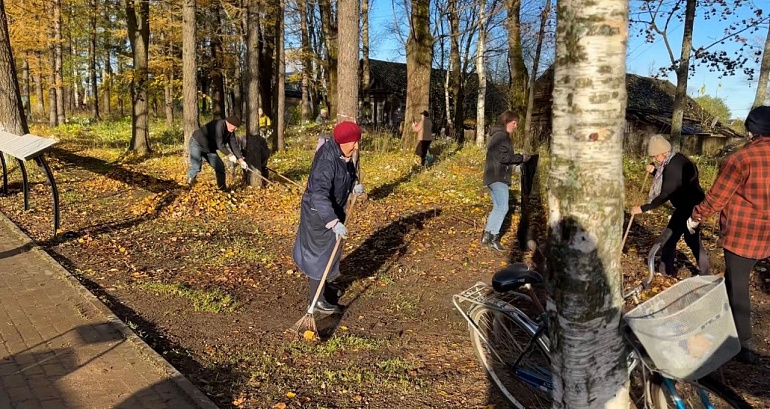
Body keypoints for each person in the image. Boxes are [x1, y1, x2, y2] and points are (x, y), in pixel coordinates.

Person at [691, 105, 770, 364]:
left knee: (738, 286)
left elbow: (717, 198)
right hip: (767, 236)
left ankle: (744, 344)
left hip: (744, 235)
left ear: (752, 131)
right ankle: (721, 318)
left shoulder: (741, 159)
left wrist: (696, 216)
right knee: (733, 279)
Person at [292, 121, 365, 314]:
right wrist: (332, 222)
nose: (356, 147)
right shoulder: (327, 160)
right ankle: (317, 300)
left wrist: (353, 185)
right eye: (353, 142)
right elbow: (319, 194)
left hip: (332, 209)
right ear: (343, 141)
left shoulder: (342, 154)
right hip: (319, 214)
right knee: (320, 256)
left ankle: (323, 289)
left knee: (330, 251)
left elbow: (345, 174)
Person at [631, 135, 709, 277]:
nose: (654, 159)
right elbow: (671, 181)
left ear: (664, 152)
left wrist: (643, 208)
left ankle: (667, 270)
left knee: (673, 238)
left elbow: (665, 193)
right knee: (689, 239)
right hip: (692, 204)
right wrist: (654, 172)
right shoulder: (676, 159)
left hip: (688, 207)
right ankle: (702, 272)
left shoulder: (673, 167)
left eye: (656, 156)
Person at [481, 111, 525, 252]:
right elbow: (503, 157)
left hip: (491, 177)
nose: (516, 126)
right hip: (498, 177)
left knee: (497, 207)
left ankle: (486, 237)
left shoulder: (496, 136)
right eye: (514, 123)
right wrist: (521, 158)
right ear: (507, 122)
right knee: (503, 207)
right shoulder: (502, 137)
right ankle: (494, 238)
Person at [188, 115, 248, 190]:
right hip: (197, 143)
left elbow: (234, 145)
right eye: (234, 127)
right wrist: (230, 155)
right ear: (229, 123)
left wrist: (241, 160)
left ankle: (222, 188)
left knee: (220, 167)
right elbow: (220, 144)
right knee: (196, 166)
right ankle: (189, 185)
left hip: (209, 149)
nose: (235, 129)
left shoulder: (230, 132)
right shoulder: (219, 125)